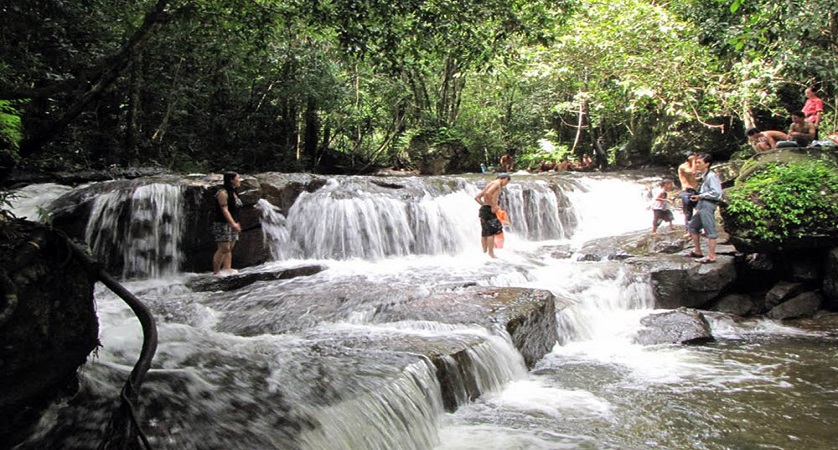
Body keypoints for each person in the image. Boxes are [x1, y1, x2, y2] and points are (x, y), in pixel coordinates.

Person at [688, 154, 722, 264]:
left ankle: (712, 256)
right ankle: (697, 251)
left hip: (708, 204)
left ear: (707, 164)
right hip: (702, 204)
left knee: (709, 229)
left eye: (699, 162)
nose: (696, 164)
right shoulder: (705, 175)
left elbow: (716, 193)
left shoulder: (711, 176)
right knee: (693, 226)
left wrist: (700, 196)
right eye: (696, 162)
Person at [212, 171, 243, 276]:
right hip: (222, 224)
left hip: (232, 222)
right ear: (231, 180)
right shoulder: (222, 193)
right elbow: (224, 210)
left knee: (229, 248)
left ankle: (227, 268)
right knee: (223, 248)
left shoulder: (233, 192)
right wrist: (233, 223)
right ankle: (216, 272)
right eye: (238, 178)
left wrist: (235, 223)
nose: (240, 180)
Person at [474, 173, 511, 258]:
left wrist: (484, 205)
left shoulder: (491, 183)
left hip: (484, 209)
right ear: (505, 179)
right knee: (492, 232)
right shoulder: (497, 184)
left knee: (484, 231)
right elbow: (487, 193)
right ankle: (491, 253)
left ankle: (484, 251)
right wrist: (493, 206)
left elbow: (477, 197)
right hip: (489, 210)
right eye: (507, 182)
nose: (505, 184)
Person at [677, 151, 699, 237]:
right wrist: (693, 160)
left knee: (699, 209)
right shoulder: (683, 166)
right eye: (694, 156)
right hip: (687, 192)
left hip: (695, 190)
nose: (696, 157)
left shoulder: (693, 166)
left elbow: (693, 176)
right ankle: (689, 231)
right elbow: (692, 172)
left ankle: (698, 228)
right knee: (688, 213)